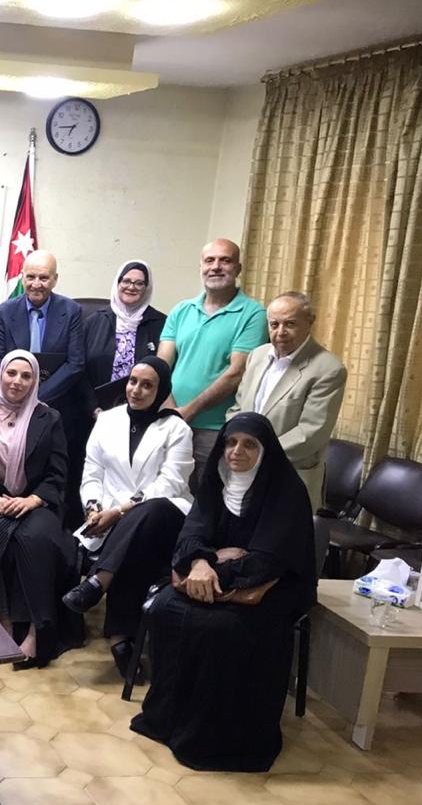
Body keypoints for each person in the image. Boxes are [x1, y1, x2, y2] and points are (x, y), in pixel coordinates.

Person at [130, 413, 318, 772]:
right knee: (165, 608)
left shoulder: (286, 490)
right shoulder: (217, 480)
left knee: (222, 628)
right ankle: (169, 719)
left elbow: (268, 560)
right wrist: (203, 562)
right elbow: (190, 535)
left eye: (249, 445)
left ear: (265, 451)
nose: (236, 451)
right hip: (216, 578)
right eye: (231, 442)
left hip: (272, 587)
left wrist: (213, 568)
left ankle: (216, 738)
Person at [61, 357, 193, 677]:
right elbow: (92, 473)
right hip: (114, 518)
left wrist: (119, 511)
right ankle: (121, 638)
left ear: (162, 390)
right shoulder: (107, 420)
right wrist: (94, 509)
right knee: (134, 543)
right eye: (133, 381)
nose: (136, 390)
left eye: (147, 385)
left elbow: (170, 484)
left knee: (148, 512)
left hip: (166, 514)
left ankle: (100, 582)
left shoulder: (177, 428)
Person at [0, 351, 80, 668]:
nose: (17, 381)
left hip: (36, 502)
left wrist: (32, 500)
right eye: (11, 373)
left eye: (26, 376)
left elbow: (58, 474)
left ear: (35, 381)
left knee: (33, 538)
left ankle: (38, 630)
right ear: (0, 375)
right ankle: (3, 619)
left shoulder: (49, 418)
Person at [0, 250, 86, 525]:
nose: (36, 284)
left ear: (55, 279)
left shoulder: (71, 311)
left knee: (51, 479)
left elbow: (76, 363)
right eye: (30, 277)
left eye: (44, 278)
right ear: (22, 277)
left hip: (55, 412)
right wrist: (22, 395)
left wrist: (35, 397)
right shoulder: (3, 313)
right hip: (10, 414)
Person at [157, 239, 268, 486]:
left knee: (206, 498)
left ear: (238, 269)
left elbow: (236, 372)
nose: (216, 266)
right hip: (170, 422)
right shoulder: (181, 310)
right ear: (201, 267)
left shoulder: (254, 314)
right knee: (165, 495)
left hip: (215, 430)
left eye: (225, 260)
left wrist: (187, 412)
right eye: (210, 260)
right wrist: (172, 412)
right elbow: (160, 367)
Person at [228, 291, 347, 512]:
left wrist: (255, 454)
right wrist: (233, 444)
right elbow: (237, 409)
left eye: (290, 324)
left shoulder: (328, 369)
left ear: (310, 322)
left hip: (290, 478)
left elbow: (310, 432)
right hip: (244, 473)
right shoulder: (257, 355)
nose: (280, 332)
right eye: (274, 324)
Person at [81, 260, 167, 408]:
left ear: (147, 288)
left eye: (139, 283)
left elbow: (162, 374)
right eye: (126, 281)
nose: (131, 287)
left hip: (143, 411)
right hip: (94, 410)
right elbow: (79, 371)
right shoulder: (93, 322)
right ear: (118, 282)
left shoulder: (161, 323)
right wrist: (94, 409)